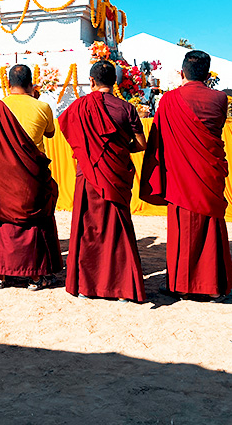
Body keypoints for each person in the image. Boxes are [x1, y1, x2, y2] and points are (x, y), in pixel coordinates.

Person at [140, 50, 232, 302]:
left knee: (183, 230)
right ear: (208, 74)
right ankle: (213, 285)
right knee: (210, 226)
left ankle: (180, 285)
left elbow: (157, 138)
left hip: (180, 174)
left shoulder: (169, 100)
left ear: (182, 73)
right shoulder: (220, 99)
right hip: (208, 172)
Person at [59, 61, 147, 302]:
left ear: (91, 81)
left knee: (88, 228)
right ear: (115, 82)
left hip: (88, 175)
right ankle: (122, 289)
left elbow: (75, 140)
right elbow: (141, 144)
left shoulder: (77, 108)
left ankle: (86, 286)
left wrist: (92, 154)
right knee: (118, 228)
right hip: (115, 174)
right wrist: (119, 149)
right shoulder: (126, 108)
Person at [0, 64, 62, 291]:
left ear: (9, 84)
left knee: (3, 221)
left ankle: (0, 274)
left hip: (2, 179)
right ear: (31, 83)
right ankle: (34, 277)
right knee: (34, 221)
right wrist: (36, 99)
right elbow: (50, 133)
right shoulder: (42, 106)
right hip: (30, 177)